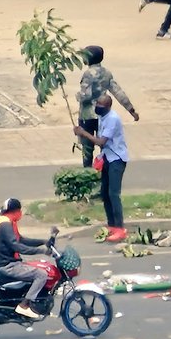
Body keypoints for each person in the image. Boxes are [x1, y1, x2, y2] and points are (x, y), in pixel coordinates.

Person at [73, 94, 129, 243]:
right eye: (97, 104)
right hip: (107, 158)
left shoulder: (112, 119)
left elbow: (101, 142)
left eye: (100, 106)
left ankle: (120, 228)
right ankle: (112, 225)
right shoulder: (103, 117)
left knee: (113, 194)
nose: (97, 107)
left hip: (117, 159)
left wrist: (83, 133)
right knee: (104, 193)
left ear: (108, 107)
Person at [75, 45, 139, 169]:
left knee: (87, 148)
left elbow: (85, 95)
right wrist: (131, 109)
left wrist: (77, 96)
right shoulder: (107, 73)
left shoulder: (88, 74)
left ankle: (87, 172)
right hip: (101, 115)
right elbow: (118, 92)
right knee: (103, 146)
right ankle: (102, 170)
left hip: (87, 115)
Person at [0, 197, 53, 319]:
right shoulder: (5, 225)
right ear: (16, 211)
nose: (21, 214)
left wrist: (42, 242)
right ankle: (24, 305)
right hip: (8, 265)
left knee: (35, 269)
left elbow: (21, 240)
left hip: (11, 262)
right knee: (41, 274)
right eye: (20, 211)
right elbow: (17, 246)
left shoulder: (8, 222)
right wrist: (41, 251)